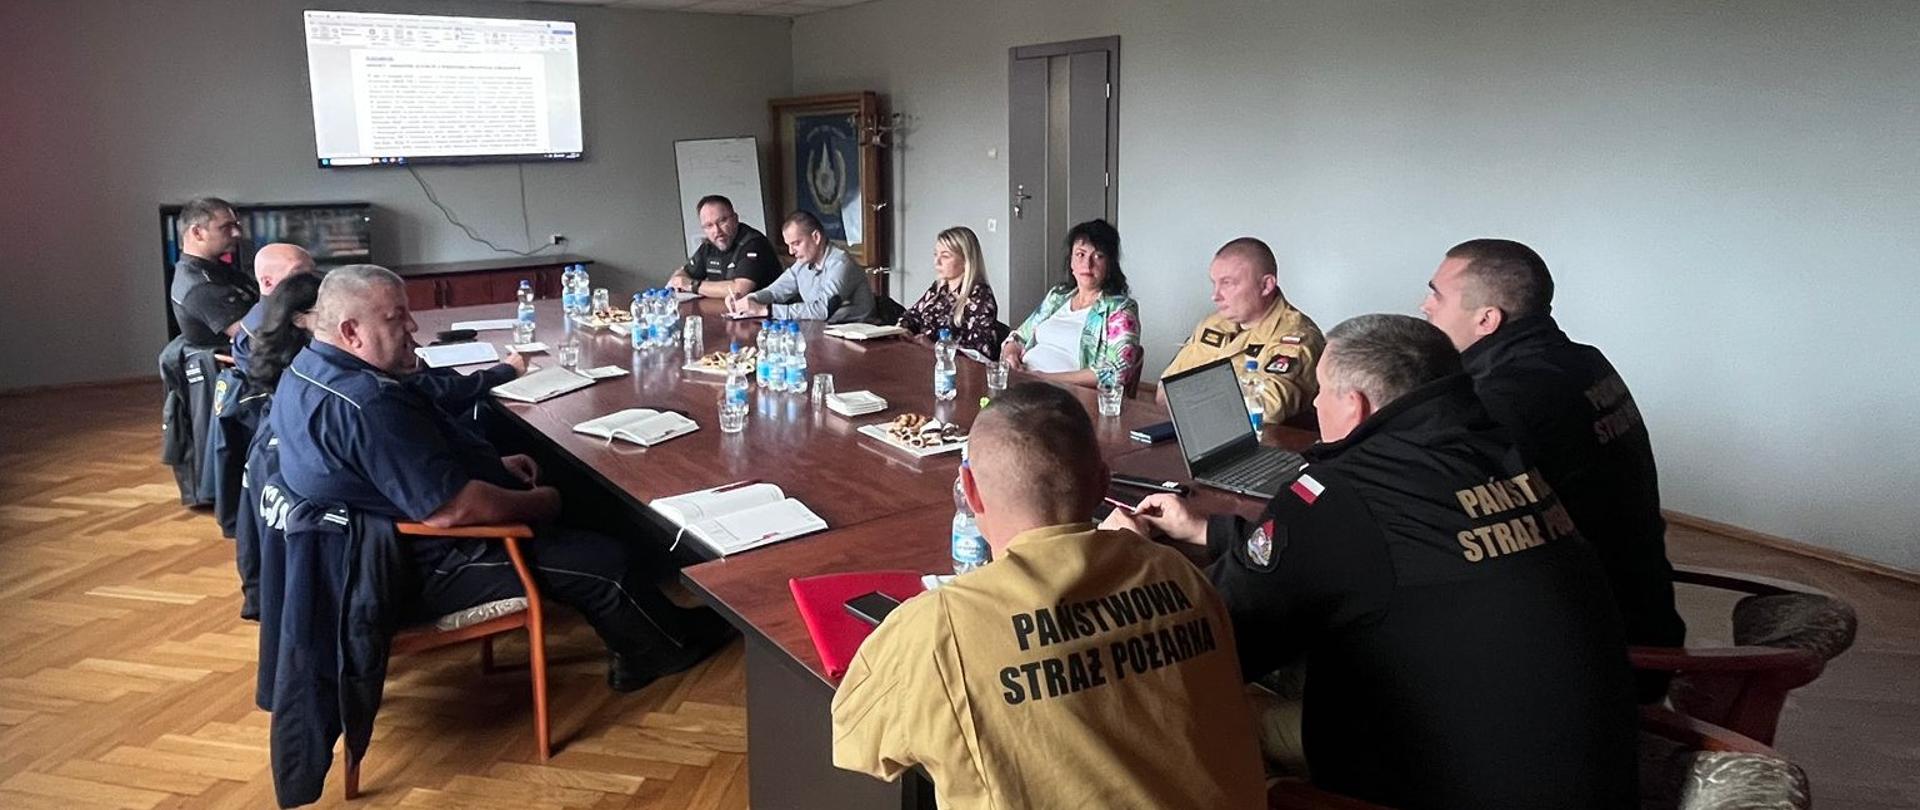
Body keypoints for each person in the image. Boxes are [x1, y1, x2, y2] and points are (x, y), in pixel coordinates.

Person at [1104, 314, 1637, 809]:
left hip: (1448, 780)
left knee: (1198, 703)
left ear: (1354, 406)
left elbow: (1210, 637)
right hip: (1578, 763)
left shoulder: (1339, 494)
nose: (1315, 404)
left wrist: (1131, 557)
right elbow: (1376, 552)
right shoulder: (1502, 454)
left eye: (1320, 392)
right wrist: (1213, 530)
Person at [270, 265, 731, 691]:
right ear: (351, 332)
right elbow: (453, 510)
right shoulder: (368, 403)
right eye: (396, 318)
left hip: (372, 548)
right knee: (602, 556)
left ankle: (654, 623)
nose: (412, 327)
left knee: (584, 495)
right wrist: (541, 503)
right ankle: (656, 653)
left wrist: (493, 464)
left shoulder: (307, 371)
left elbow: (400, 465)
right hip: (430, 563)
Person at [832, 383, 1266, 810]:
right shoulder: (1180, 575)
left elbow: (854, 737)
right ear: (1102, 485)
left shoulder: (939, 630)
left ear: (970, 489)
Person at [1421, 238, 1685, 697]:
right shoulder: (1581, 361)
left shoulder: (1504, 397)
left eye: (1437, 296)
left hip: (1592, 659)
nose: (1425, 307)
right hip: (1640, 610)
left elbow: (1442, 508)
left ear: (1486, 319)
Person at [1158, 238, 1324, 424]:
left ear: (1266, 286)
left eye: (1227, 283)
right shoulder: (1212, 324)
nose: (1215, 296)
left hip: (1265, 439)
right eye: (1214, 283)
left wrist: (1191, 396)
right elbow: (1165, 391)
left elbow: (1267, 409)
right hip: (1197, 430)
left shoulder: (1295, 337)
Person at [1000, 219, 1142, 390]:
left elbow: (1118, 371)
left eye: (1098, 256)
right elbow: (1018, 337)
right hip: (1023, 382)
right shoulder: (1057, 297)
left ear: (1110, 264)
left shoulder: (1120, 309)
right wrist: (1011, 356)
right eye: (1080, 255)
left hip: (1066, 393)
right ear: (1071, 262)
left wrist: (1045, 378)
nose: (1087, 264)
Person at [726, 211, 875, 323]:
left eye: (796, 244)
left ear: (816, 237)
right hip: (823, 332)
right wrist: (749, 300)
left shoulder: (841, 263)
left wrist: (767, 310)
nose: (791, 252)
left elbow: (823, 310)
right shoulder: (802, 264)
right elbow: (775, 291)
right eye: (788, 245)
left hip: (859, 337)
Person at [896, 225, 1001, 358]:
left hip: (956, 367)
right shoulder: (939, 288)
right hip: (925, 359)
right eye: (936, 254)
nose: (937, 262)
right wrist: (903, 330)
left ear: (965, 261)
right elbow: (912, 315)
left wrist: (934, 347)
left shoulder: (980, 296)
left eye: (945, 256)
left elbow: (982, 352)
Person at [169, 197, 258, 347]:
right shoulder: (200, 285)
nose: (237, 233)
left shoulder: (218, 270)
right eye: (226, 227)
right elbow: (255, 336)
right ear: (197, 233)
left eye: (236, 225)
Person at [666, 194, 782, 299]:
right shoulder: (709, 245)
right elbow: (684, 273)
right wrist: (677, 281)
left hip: (766, 312)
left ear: (735, 219)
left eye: (722, 221)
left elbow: (739, 290)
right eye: (709, 226)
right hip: (727, 310)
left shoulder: (754, 243)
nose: (717, 231)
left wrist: (692, 285)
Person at [231, 243, 315, 374]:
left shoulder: (296, 310)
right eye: (298, 273)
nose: (311, 279)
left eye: (312, 272)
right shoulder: (262, 330)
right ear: (267, 282)